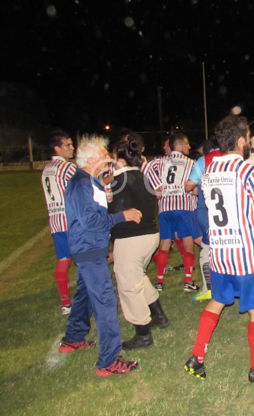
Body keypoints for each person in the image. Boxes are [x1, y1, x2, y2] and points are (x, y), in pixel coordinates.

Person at [184, 115, 254, 384]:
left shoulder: (209, 173)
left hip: (219, 253)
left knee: (217, 300)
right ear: (240, 141)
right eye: (248, 138)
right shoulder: (248, 171)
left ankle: (197, 357)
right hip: (247, 256)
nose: (249, 142)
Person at [60, 135, 142, 377]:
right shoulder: (81, 184)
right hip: (88, 250)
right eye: (104, 155)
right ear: (91, 160)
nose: (108, 158)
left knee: (85, 294)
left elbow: (91, 213)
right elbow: (90, 221)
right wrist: (121, 216)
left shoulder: (89, 181)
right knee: (105, 303)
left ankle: (73, 337)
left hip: (89, 248)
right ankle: (108, 361)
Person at [108, 140, 170, 350]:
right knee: (137, 277)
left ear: (120, 159)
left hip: (131, 239)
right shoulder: (142, 177)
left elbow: (116, 213)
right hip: (149, 235)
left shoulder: (120, 180)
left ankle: (143, 334)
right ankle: (158, 315)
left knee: (129, 286)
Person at [147, 133, 200, 291]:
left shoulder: (159, 161)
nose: (189, 146)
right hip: (184, 206)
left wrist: (158, 187)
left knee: (164, 243)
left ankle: (160, 281)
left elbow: (146, 168)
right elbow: (195, 189)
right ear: (179, 146)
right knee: (188, 242)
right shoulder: (191, 163)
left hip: (165, 207)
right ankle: (188, 281)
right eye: (187, 143)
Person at [41, 130, 76, 314]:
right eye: (67, 145)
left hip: (56, 222)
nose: (72, 148)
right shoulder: (67, 168)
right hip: (71, 221)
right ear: (57, 148)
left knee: (63, 261)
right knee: (87, 258)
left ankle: (65, 303)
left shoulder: (46, 168)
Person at [185, 138, 222, 302]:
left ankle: (209, 289)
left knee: (206, 248)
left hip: (207, 210)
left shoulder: (203, 160)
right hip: (228, 211)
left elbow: (189, 186)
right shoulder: (229, 157)